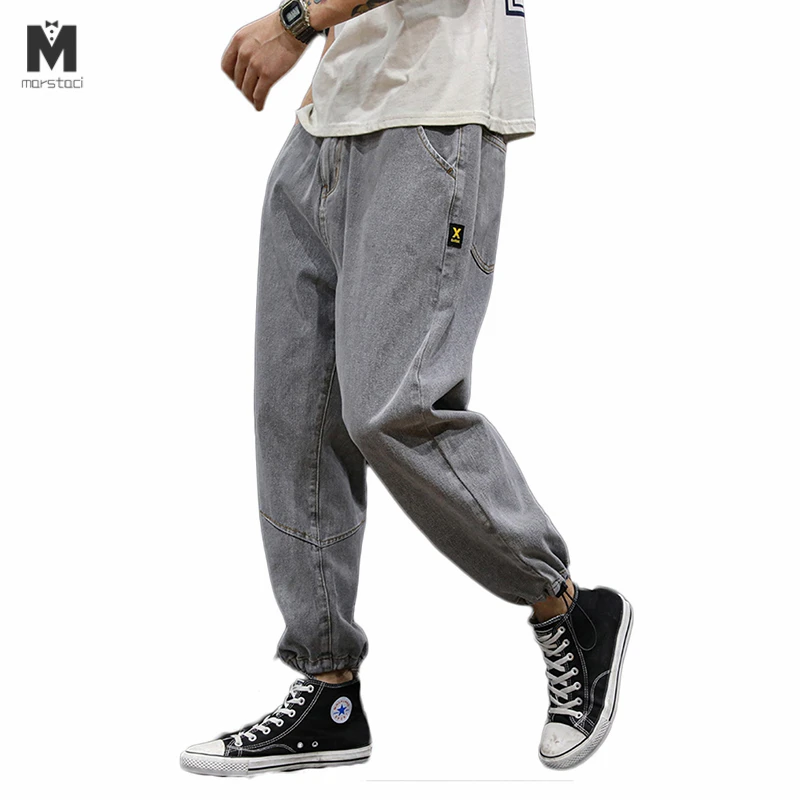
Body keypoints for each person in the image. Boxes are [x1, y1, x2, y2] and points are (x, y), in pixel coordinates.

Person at [180, 0, 632, 777]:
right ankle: (328, 690)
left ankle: (569, 608)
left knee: (393, 406)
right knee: (295, 413)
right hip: (329, 120)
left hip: (433, 113)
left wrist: (293, 24)